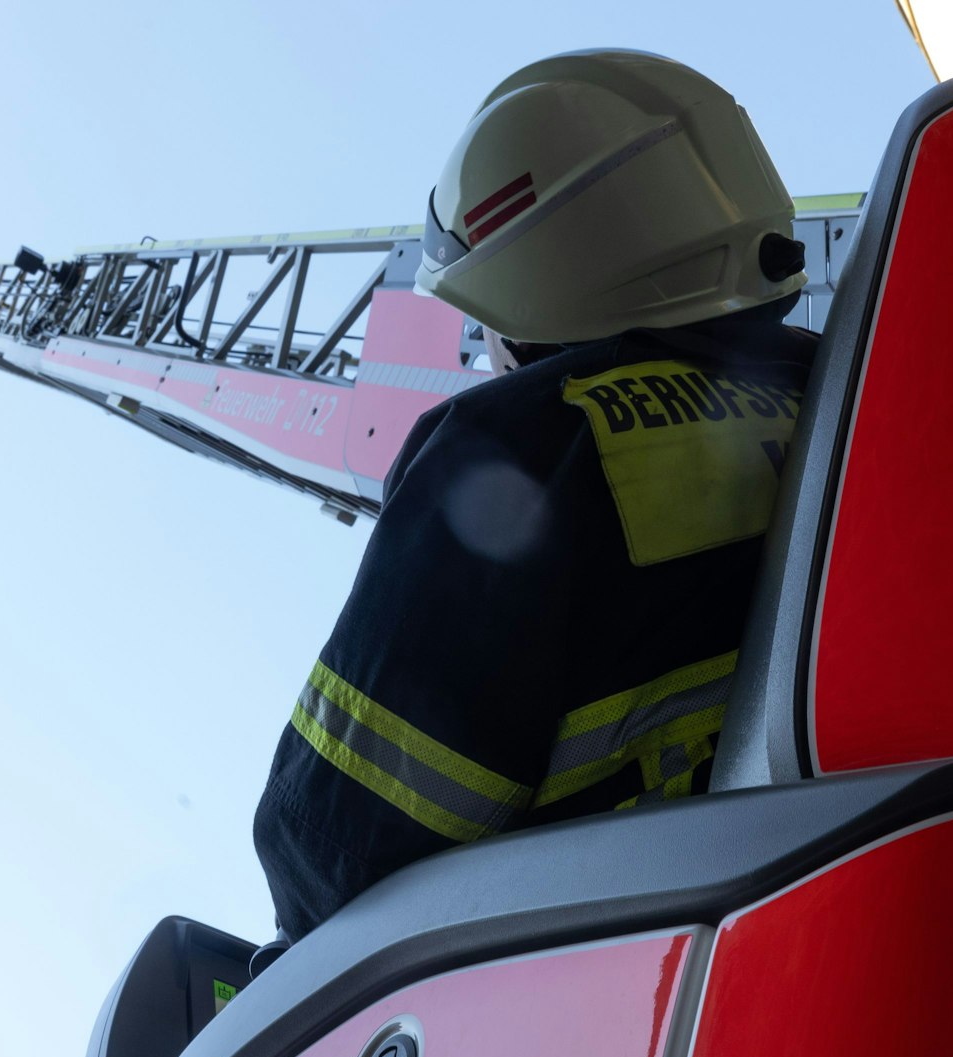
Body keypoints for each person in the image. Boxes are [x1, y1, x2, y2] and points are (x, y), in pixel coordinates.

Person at [254, 49, 820, 939]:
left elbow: (332, 858)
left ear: (533, 274)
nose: (486, 346)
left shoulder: (516, 452)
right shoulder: (852, 386)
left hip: (702, 992)